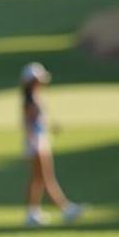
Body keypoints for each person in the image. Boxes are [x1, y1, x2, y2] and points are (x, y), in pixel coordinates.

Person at [21, 61, 84, 227]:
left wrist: (51, 126)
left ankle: (33, 213)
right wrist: (34, 141)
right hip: (37, 143)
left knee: (38, 179)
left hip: (39, 141)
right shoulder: (29, 100)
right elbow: (28, 124)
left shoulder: (35, 97)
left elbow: (39, 121)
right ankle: (65, 208)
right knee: (45, 177)